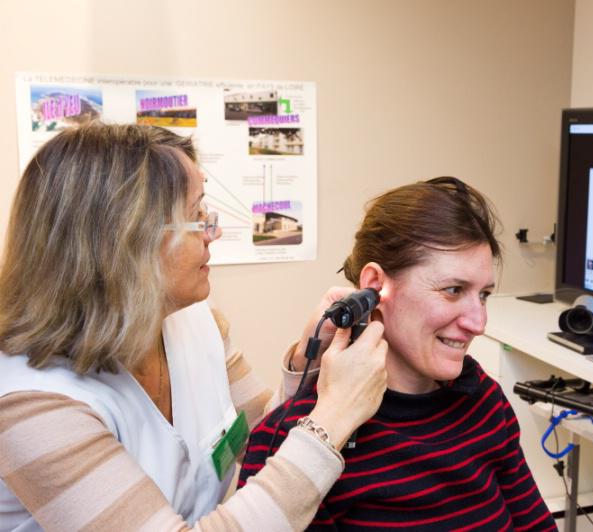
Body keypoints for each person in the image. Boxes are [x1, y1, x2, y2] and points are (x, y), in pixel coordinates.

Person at [0, 122, 388, 531]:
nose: (214, 231)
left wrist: (305, 362)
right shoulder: (32, 405)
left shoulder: (194, 321)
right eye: (196, 216)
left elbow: (258, 439)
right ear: (128, 240)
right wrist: (336, 413)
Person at [240, 177, 557, 531]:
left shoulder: (483, 400)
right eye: (453, 290)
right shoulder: (298, 446)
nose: (478, 322)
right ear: (375, 286)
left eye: (483, 294)